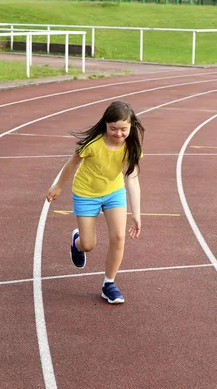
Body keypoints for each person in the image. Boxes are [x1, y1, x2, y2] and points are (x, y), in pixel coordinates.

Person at [46, 100, 144, 304]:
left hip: (114, 192)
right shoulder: (93, 144)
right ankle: (77, 242)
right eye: (113, 129)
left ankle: (109, 284)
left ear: (131, 126)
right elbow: (71, 163)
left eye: (123, 129)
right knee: (88, 244)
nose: (118, 134)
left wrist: (136, 213)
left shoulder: (132, 146)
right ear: (106, 125)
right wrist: (58, 186)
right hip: (86, 193)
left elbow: (132, 178)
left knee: (118, 237)